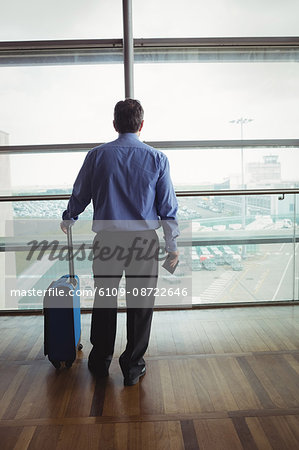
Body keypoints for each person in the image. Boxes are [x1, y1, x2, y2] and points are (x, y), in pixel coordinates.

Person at [61, 99, 179, 385]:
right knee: (141, 304)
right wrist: (172, 246)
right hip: (144, 241)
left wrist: (69, 217)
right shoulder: (157, 158)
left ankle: (101, 362)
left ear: (115, 124)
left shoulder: (97, 155)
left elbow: (81, 193)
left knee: (104, 300)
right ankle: (133, 366)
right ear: (141, 125)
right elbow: (167, 207)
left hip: (108, 239)